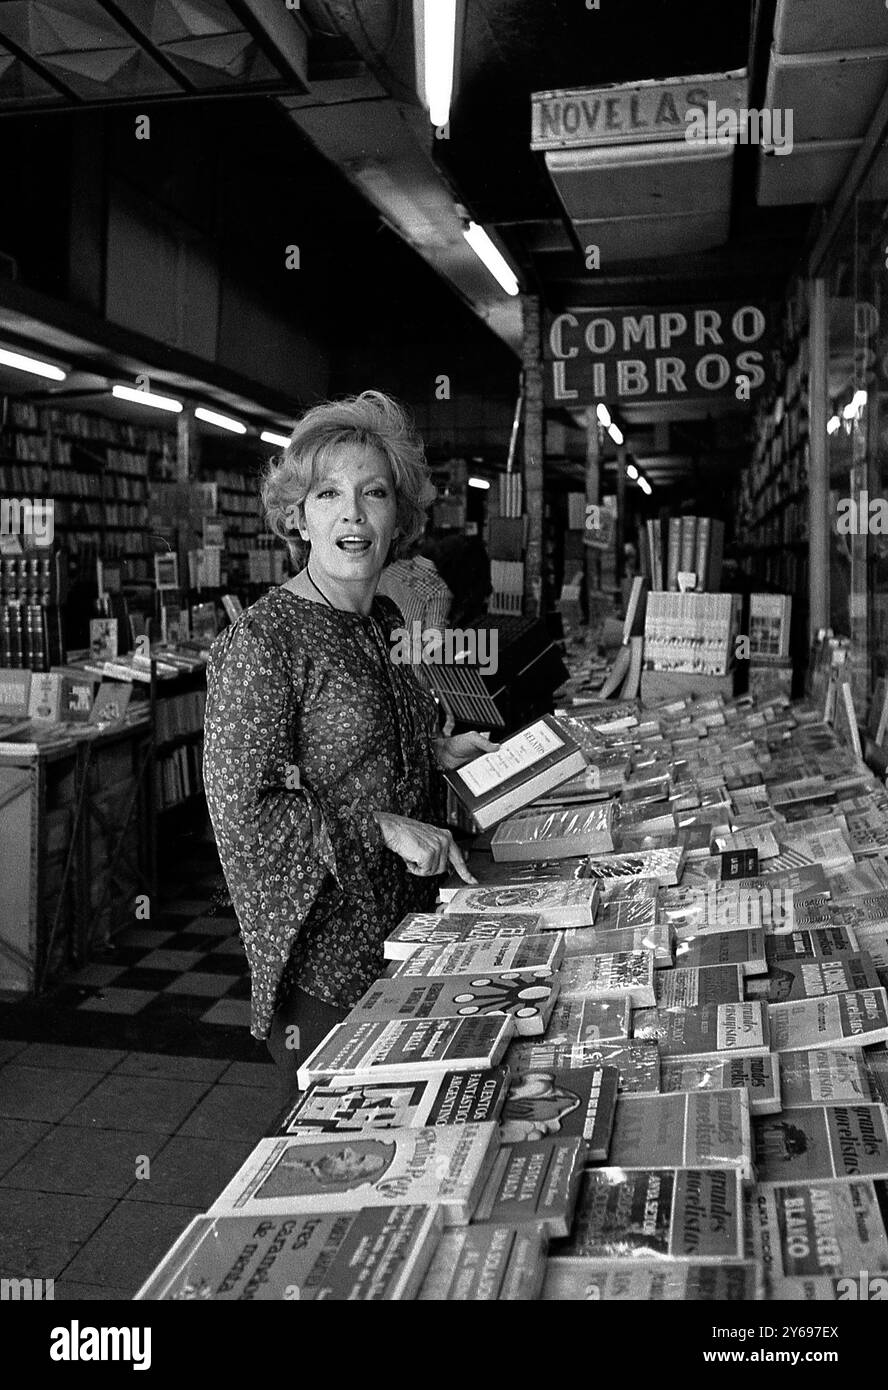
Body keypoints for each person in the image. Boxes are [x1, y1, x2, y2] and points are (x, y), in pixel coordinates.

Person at [203, 391, 498, 1101]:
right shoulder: (265, 643)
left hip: (414, 934)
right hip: (328, 972)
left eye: (374, 493)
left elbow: (362, 751)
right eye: (328, 493)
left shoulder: (387, 618)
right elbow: (243, 812)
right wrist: (380, 827)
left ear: (400, 515)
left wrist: (435, 751)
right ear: (297, 515)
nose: (353, 514)